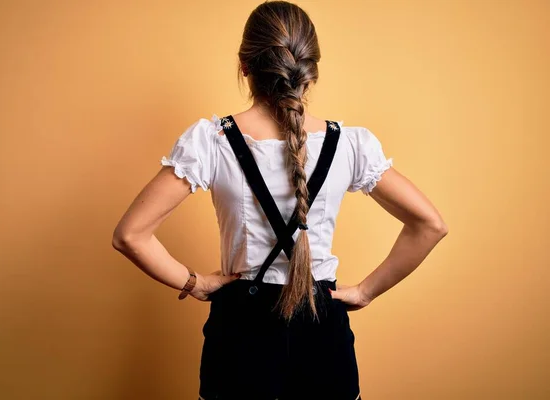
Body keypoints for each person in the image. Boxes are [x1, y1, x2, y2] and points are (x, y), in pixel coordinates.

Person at [112, 1, 448, 399]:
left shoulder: (212, 142)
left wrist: (195, 283)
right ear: (312, 71)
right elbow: (430, 225)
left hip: (240, 329)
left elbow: (130, 235)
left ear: (244, 66)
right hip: (324, 325)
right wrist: (365, 291)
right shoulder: (350, 145)